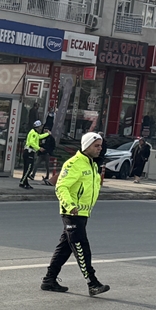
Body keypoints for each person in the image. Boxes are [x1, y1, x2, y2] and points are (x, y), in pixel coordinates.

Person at [41, 132, 109, 297]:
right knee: (81, 247)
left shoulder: (92, 164)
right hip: (72, 212)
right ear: (86, 146)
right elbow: (61, 187)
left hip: (83, 213)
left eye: (100, 146)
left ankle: (49, 280)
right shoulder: (73, 164)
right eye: (96, 146)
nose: (100, 149)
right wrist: (70, 205)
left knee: (65, 248)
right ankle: (92, 283)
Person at [20, 120, 50, 189]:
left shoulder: (35, 133)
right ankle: (22, 182)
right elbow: (31, 142)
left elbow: (39, 136)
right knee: (29, 169)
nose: (41, 128)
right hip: (29, 152)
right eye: (41, 126)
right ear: (38, 127)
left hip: (29, 152)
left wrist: (47, 134)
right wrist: (39, 148)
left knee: (27, 169)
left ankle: (25, 182)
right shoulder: (33, 133)